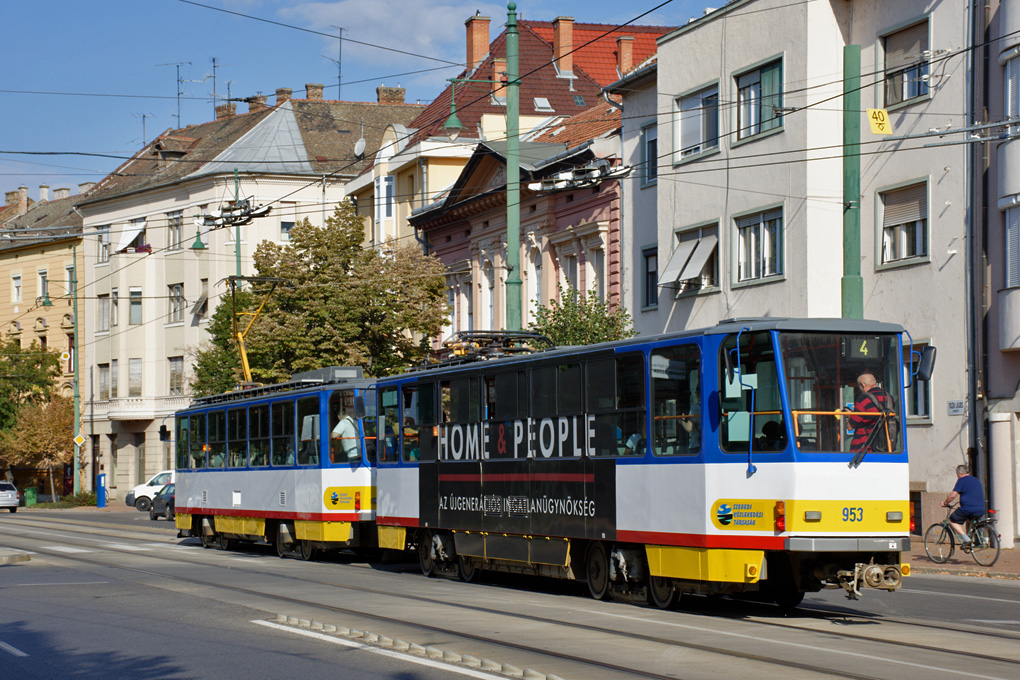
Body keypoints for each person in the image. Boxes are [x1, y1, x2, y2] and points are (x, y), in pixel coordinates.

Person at [847, 372, 892, 452]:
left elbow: (850, 426)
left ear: (863, 385)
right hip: (886, 445)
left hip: (865, 447)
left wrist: (850, 415)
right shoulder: (889, 398)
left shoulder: (863, 399)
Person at [941, 464, 986, 546]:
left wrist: (945, 503)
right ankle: (970, 542)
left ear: (960, 473)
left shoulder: (961, 480)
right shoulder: (976, 480)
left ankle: (966, 539)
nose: (957, 476)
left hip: (968, 509)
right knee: (968, 521)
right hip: (981, 509)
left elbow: (953, 495)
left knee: (951, 520)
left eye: (957, 474)